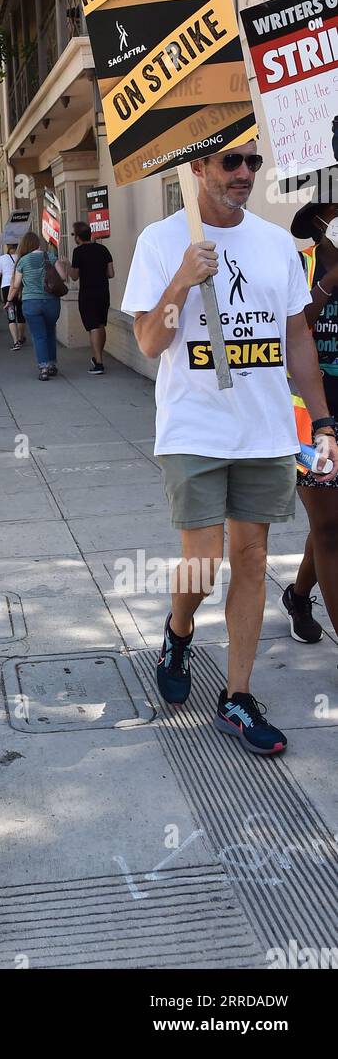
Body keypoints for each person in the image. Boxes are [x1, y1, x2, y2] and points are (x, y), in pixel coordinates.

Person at [121, 142, 338, 755]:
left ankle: (237, 696)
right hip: (194, 429)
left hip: (265, 431)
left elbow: (297, 339)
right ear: (197, 167)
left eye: (252, 163)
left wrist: (322, 422)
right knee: (203, 559)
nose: (244, 173)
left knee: (251, 554)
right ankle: (180, 626)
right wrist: (183, 282)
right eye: (229, 162)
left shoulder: (276, 245)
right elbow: (146, 342)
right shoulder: (162, 242)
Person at [283, 198, 338, 650]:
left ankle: (299, 595)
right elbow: (295, 331)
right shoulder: (298, 266)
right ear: (321, 223)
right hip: (312, 415)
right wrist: (333, 278)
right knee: (330, 527)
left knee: (331, 527)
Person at [7, 230, 67, 380]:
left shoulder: (23, 261)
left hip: (31, 302)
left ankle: (44, 367)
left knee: (39, 336)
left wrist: (9, 300)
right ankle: (52, 364)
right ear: (38, 244)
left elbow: (16, 285)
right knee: (50, 332)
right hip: (51, 302)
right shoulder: (50, 256)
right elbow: (63, 277)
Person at [69, 221, 115, 374]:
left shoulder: (78, 252)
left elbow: (74, 277)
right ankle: (97, 357)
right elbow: (111, 273)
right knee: (100, 325)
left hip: (87, 293)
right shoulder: (103, 249)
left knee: (93, 326)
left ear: (78, 237)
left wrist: (66, 265)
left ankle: (99, 363)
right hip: (103, 291)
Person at [0, 240, 25, 350]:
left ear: (7, 245)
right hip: (20, 286)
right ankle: (21, 338)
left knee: (11, 315)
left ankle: (16, 342)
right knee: (21, 313)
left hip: (7, 287)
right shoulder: (22, 257)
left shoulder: (2, 259)